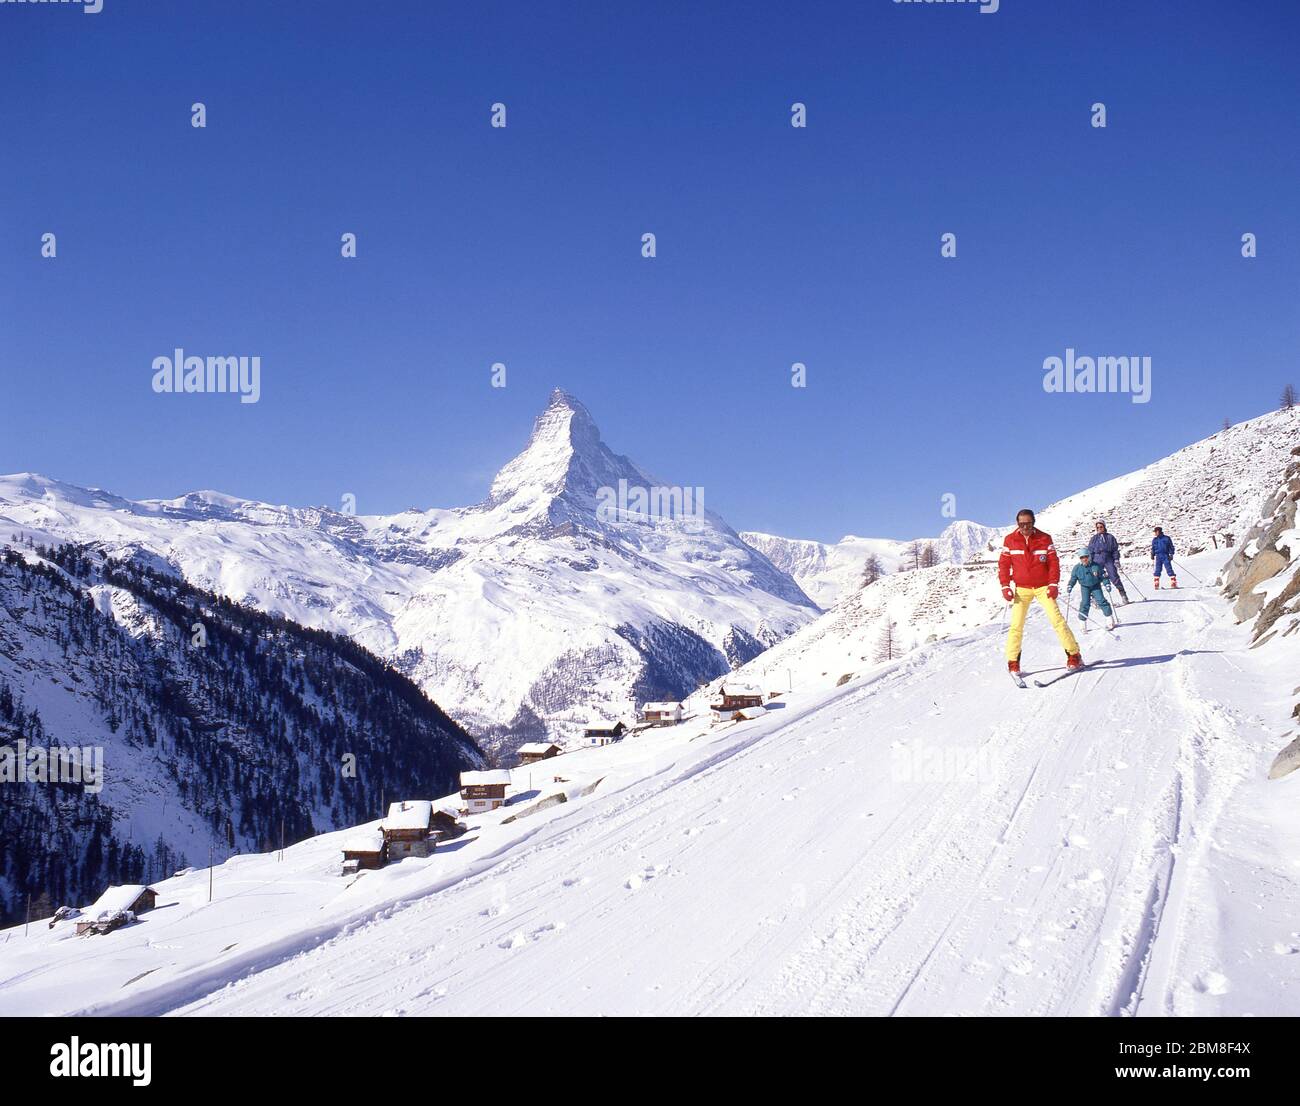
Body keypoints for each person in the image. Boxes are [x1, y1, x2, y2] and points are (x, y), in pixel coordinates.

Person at [998, 508, 1083, 674]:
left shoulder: (1044, 538)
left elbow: (1053, 562)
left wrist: (1053, 584)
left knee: (1057, 621)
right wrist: (1005, 585)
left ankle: (1074, 654)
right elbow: (1003, 564)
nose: (1025, 527)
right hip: (1022, 589)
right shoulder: (1010, 540)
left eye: (1028, 523)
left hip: (1043, 587)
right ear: (1017, 524)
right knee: (1016, 625)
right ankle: (1013, 661)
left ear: (1033, 523)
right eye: (1021, 524)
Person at [1068, 548, 1116, 631]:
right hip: (1084, 587)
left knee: (1101, 601)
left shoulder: (1096, 566)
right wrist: (1070, 585)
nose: (1084, 559)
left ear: (1089, 556)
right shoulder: (1077, 568)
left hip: (1095, 586)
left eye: (1086, 557)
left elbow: (1103, 576)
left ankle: (1110, 620)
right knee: (1085, 603)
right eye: (1082, 557)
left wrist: (1107, 584)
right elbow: (1073, 578)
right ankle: (1082, 624)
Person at [1086, 520, 1129, 604]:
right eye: (1097, 527)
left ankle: (1123, 595)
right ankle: (1095, 598)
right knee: (1095, 577)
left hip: (1108, 558)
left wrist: (1116, 559)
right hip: (1097, 559)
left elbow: (1115, 550)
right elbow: (1090, 550)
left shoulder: (1110, 537)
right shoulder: (1094, 538)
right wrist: (1089, 561)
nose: (1099, 529)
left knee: (1114, 576)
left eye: (1101, 527)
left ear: (1104, 527)